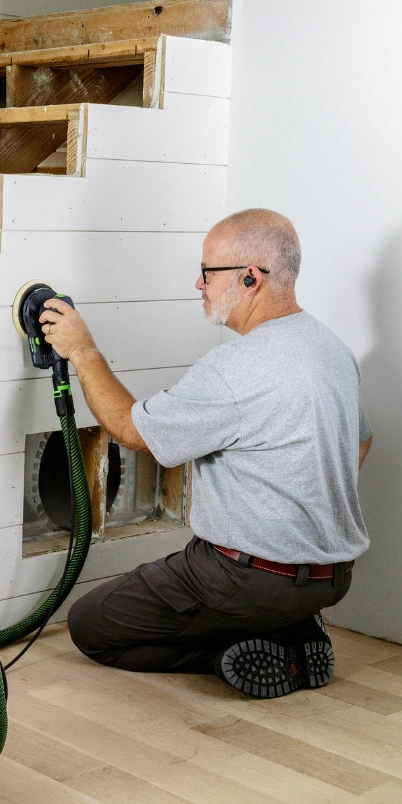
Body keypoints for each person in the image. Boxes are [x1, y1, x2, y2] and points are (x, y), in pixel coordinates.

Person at [39, 208, 372, 698]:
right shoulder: (331, 348)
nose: (199, 284)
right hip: (334, 578)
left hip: (247, 578)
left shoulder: (235, 368)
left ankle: (244, 649)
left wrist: (83, 352)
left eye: (208, 272)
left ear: (251, 277)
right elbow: (361, 440)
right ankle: (293, 630)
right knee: (230, 588)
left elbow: (131, 430)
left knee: (92, 625)